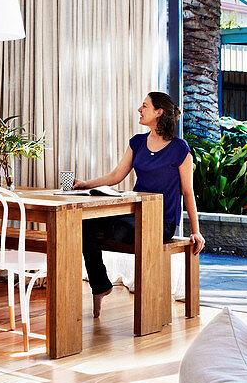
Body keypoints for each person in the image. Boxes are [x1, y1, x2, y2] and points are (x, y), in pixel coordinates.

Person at [73, 92, 206, 318]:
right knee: (85, 226)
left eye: (145, 106)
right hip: (133, 216)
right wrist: (86, 184)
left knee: (116, 229)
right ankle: (101, 285)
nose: (139, 109)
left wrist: (196, 232)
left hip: (160, 222)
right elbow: (116, 175)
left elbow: (187, 192)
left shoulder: (180, 149)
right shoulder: (137, 143)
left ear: (159, 112)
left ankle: (149, 309)